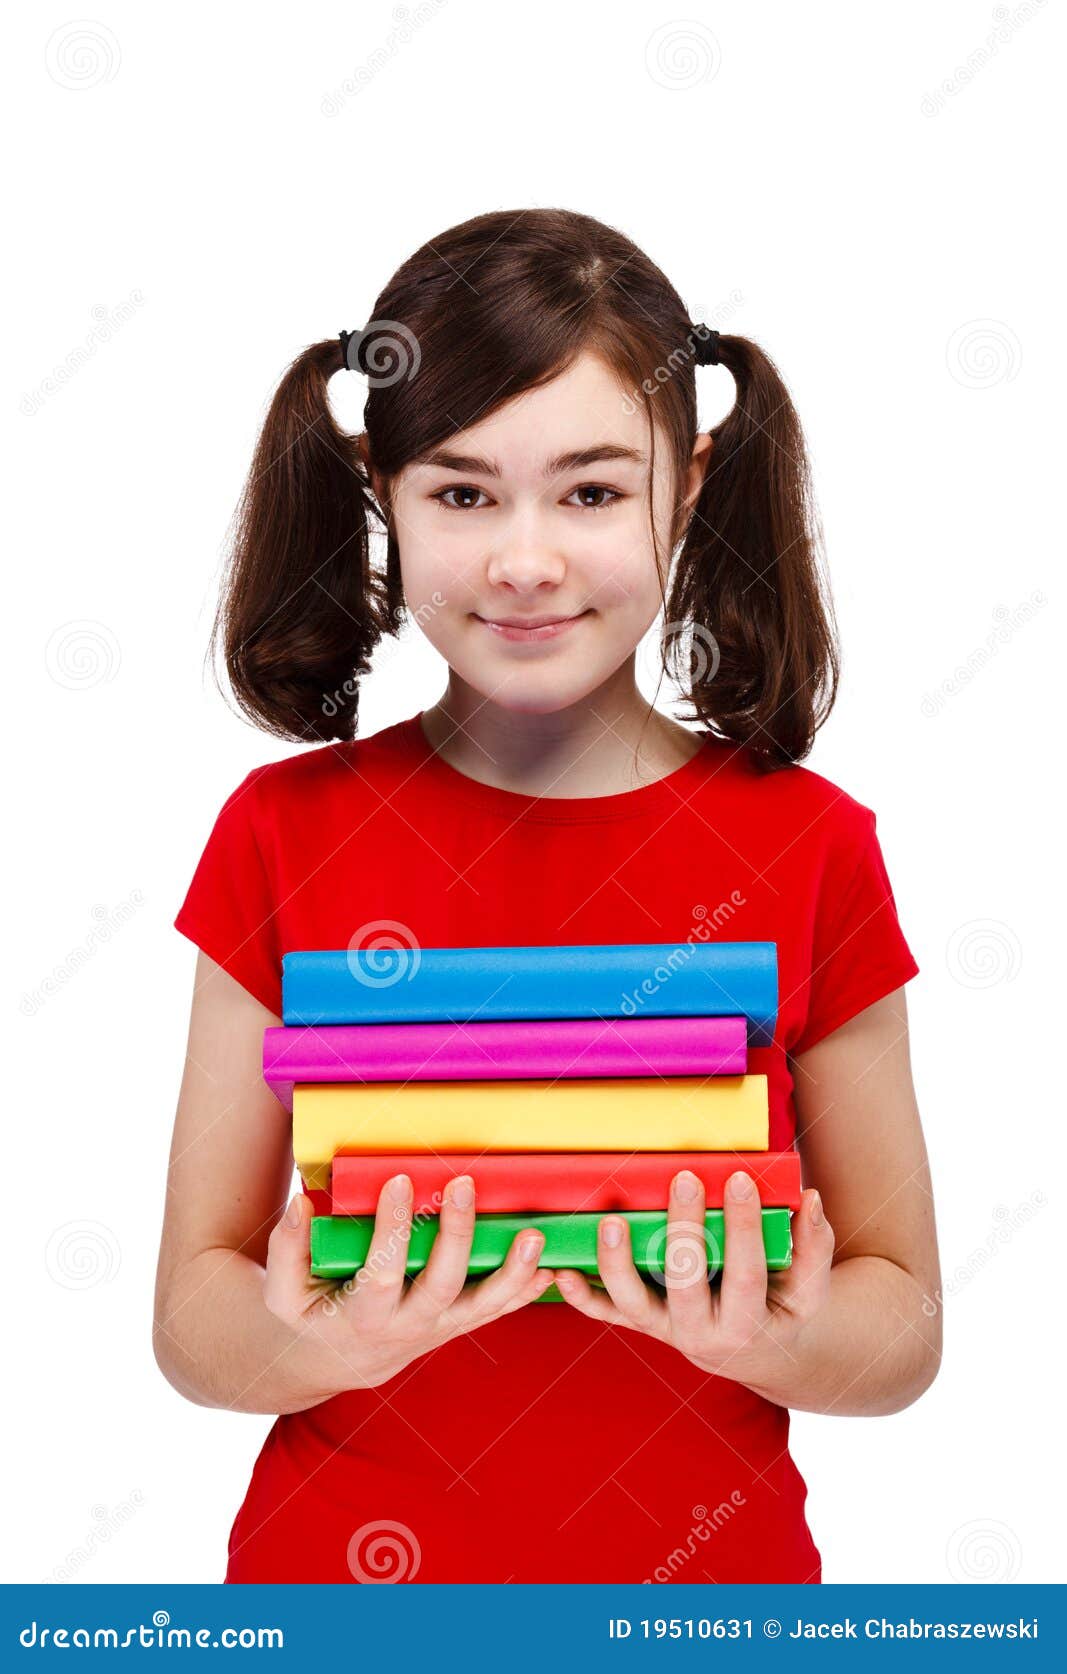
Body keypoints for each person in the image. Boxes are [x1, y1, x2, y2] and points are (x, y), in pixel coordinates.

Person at [153, 207, 941, 1584]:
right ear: (380, 497)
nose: (526, 559)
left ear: (684, 490)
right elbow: (191, 1312)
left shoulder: (814, 847)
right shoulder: (281, 833)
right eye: (461, 493)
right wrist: (321, 1344)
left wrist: (769, 1339)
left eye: (589, 490)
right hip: (340, 1599)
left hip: (713, 1605)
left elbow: (905, 1322)